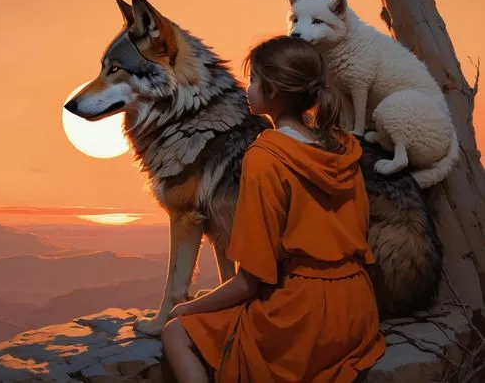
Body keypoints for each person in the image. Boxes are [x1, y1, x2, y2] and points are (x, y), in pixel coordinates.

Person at [161, 35, 385, 382]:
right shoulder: (344, 147)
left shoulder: (265, 158)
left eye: (253, 81)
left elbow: (248, 283)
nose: (246, 89)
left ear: (275, 92)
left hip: (303, 315)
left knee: (175, 333)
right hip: (357, 307)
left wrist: (184, 307)